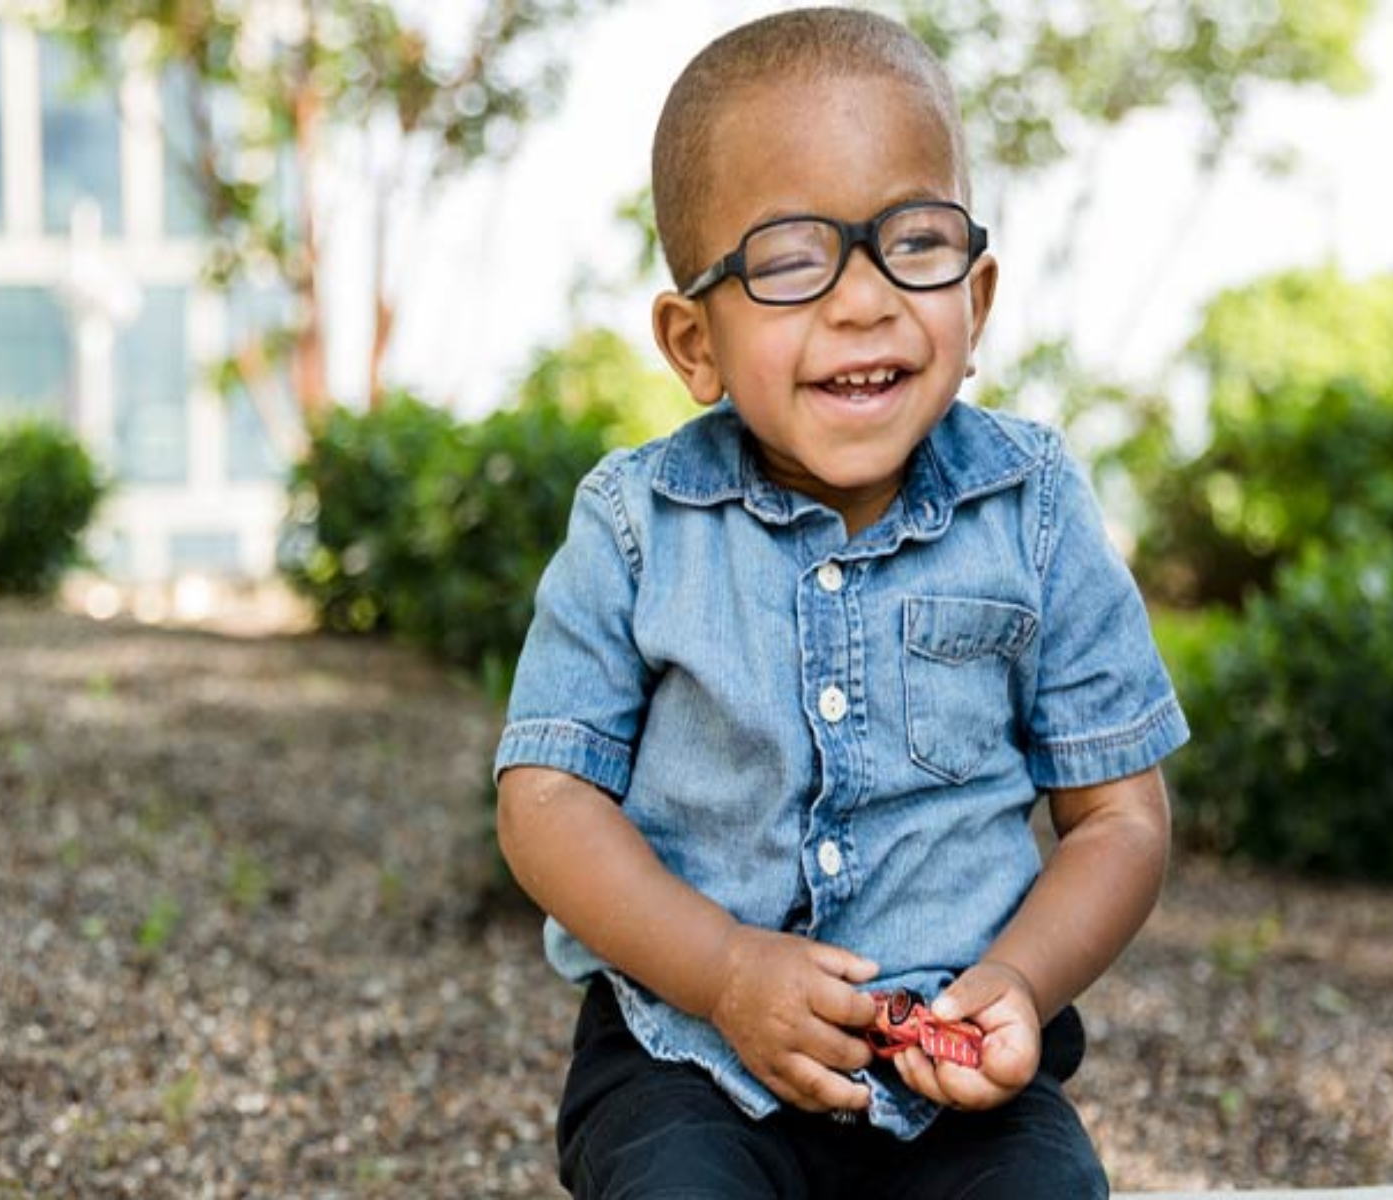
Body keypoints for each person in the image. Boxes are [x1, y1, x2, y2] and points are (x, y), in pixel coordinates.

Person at [493, 7, 1189, 1197]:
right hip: (686, 1061)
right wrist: (719, 970)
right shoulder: (635, 525)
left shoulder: (1032, 510)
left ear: (976, 297)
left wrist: (1018, 982)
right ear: (692, 341)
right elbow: (546, 800)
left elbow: (1120, 820)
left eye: (912, 244)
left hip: (956, 1091)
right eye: (790, 260)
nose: (864, 301)